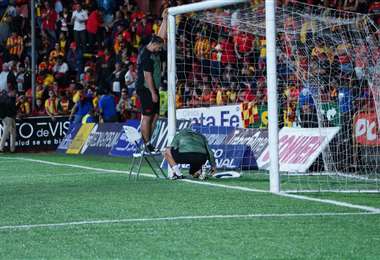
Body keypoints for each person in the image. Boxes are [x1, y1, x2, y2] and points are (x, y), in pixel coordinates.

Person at [135, 35, 165, 152]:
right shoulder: (146, 56)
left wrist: (164, 20)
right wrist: (153, 93)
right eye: (159, 48)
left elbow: (159, 34)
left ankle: (148, 142)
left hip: (153, 88)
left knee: (156, 116)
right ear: (154, 44)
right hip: (146, 88)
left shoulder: (150, 48)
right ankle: (147, 144)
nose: (159, 50)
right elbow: (147, 76)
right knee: (147, 116)